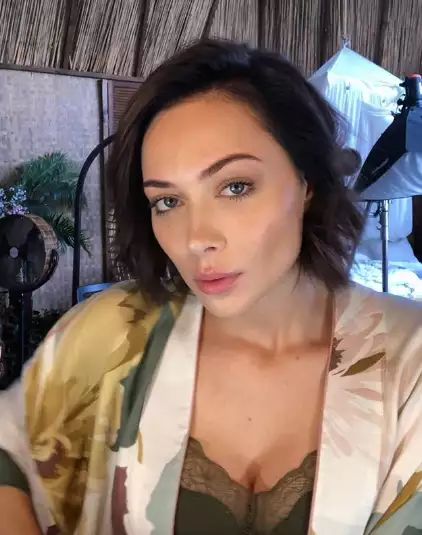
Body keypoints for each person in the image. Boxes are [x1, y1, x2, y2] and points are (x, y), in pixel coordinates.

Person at [0, 39, 421, 535]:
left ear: (307, 182)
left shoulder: (410, 362)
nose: (196, 238)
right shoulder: (109, 331)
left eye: (235, 187)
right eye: (168, 201)